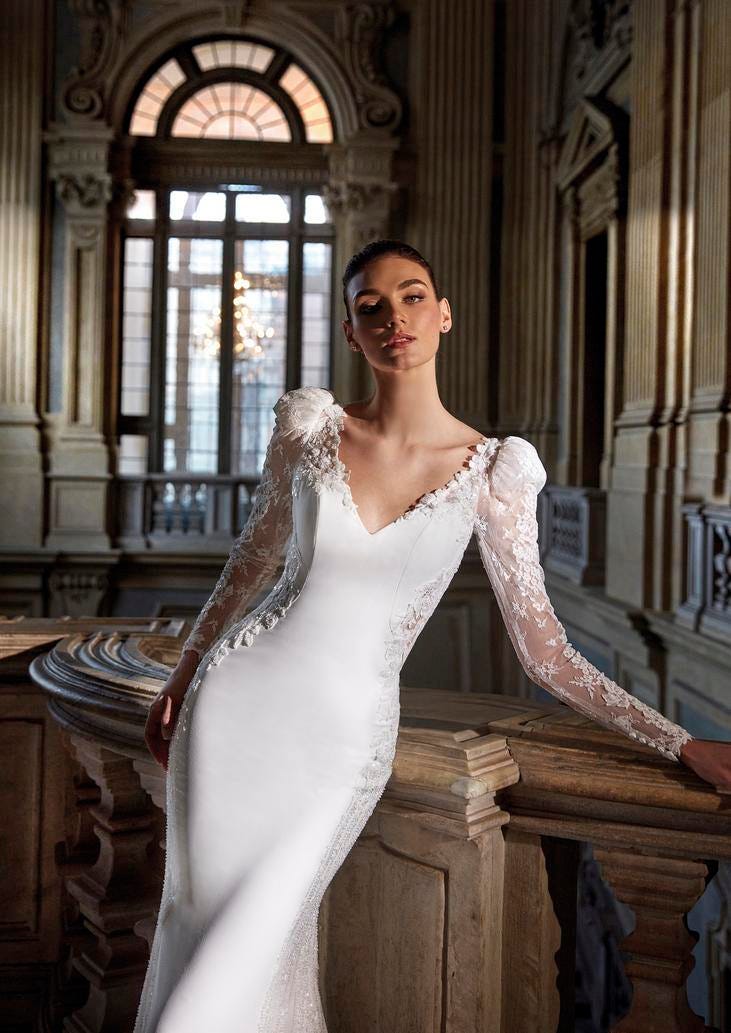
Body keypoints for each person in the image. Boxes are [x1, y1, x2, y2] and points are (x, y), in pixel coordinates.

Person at [135, 239, 729, 1033]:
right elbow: (250, 563)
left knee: (244, 959)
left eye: (411, 296)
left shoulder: (492, 472)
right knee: (210, 943)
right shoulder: (311, 432)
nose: (394, 318)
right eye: (370, 306)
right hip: (234, 713)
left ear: (443, 314)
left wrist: (677, 741)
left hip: (339, 746)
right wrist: (182, 679)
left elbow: (544, 652)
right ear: (350, 331)